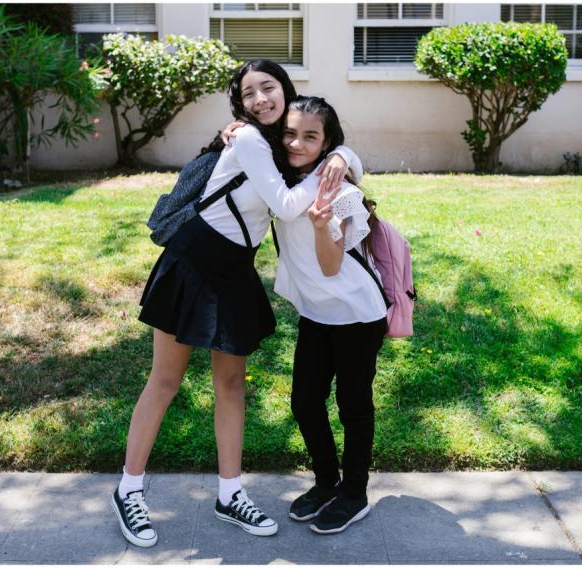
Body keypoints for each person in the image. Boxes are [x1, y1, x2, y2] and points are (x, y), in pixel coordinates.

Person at [112, 61, 362, 547]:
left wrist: (344, 154)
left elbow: (321, 143)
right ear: (240, 104)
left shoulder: (281, 144)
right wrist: (338, 163)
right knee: (165, 380)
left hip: (234, 271)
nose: (260, 99)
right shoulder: (248, 140)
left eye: (268, 88)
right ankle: (129, 490)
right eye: (249, 94)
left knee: (230, 385)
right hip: (194, 261)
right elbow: (290, 206)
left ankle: (230, 494)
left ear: (286, 91)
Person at [272, 96, 387, 534]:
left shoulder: (342, 193)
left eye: (310, 136)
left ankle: (354, 493)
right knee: (304, 401)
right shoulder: (283, 181)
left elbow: (332, 265)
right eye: (290, 133)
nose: (297, 143)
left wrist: (322, 226)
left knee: (353, 405)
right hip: (317, 314)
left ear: (327, 141)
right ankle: (326, 482)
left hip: (356, 315)